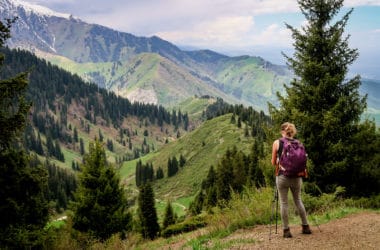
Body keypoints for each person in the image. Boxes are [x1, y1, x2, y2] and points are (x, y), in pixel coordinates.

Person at [271, 122, 312, 238]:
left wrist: (279, 162)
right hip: (297, 177)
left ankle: (286, 230)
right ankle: (305, 226)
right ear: (292, 132)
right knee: (298, 200)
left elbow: (273, 162)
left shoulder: (277, 142)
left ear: (282, 131)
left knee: (284, 203)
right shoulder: (299, 143)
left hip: (282, 177)